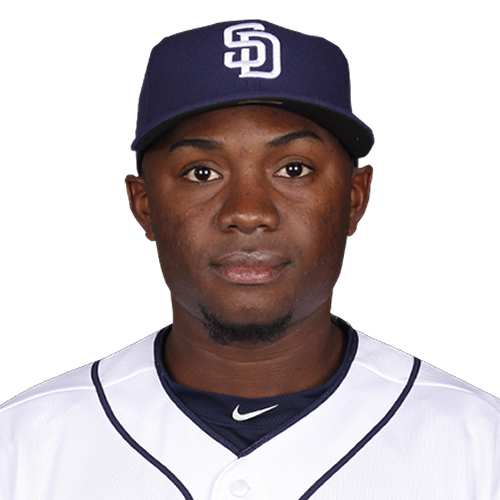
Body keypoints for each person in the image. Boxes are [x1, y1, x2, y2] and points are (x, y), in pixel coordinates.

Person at [1, 20, 498, 500]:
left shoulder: (479, 444)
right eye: (201, 172)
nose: (248, 212)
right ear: (144, 205)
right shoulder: (24, 444)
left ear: (355, 198)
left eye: (294, 169)